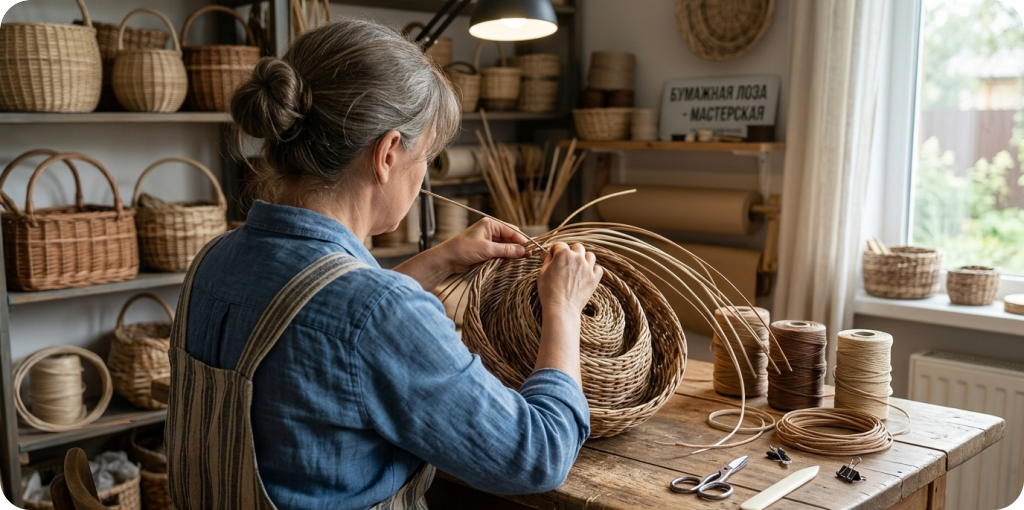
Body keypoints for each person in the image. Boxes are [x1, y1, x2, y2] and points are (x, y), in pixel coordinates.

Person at [164, 18, 604, 510]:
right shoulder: (378, 313)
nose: (422, 180)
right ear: (388, 154)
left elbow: (315, 326)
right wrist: (563, 307)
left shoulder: (212, 261)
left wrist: (435, 263)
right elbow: (538, 456)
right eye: (428, 159)